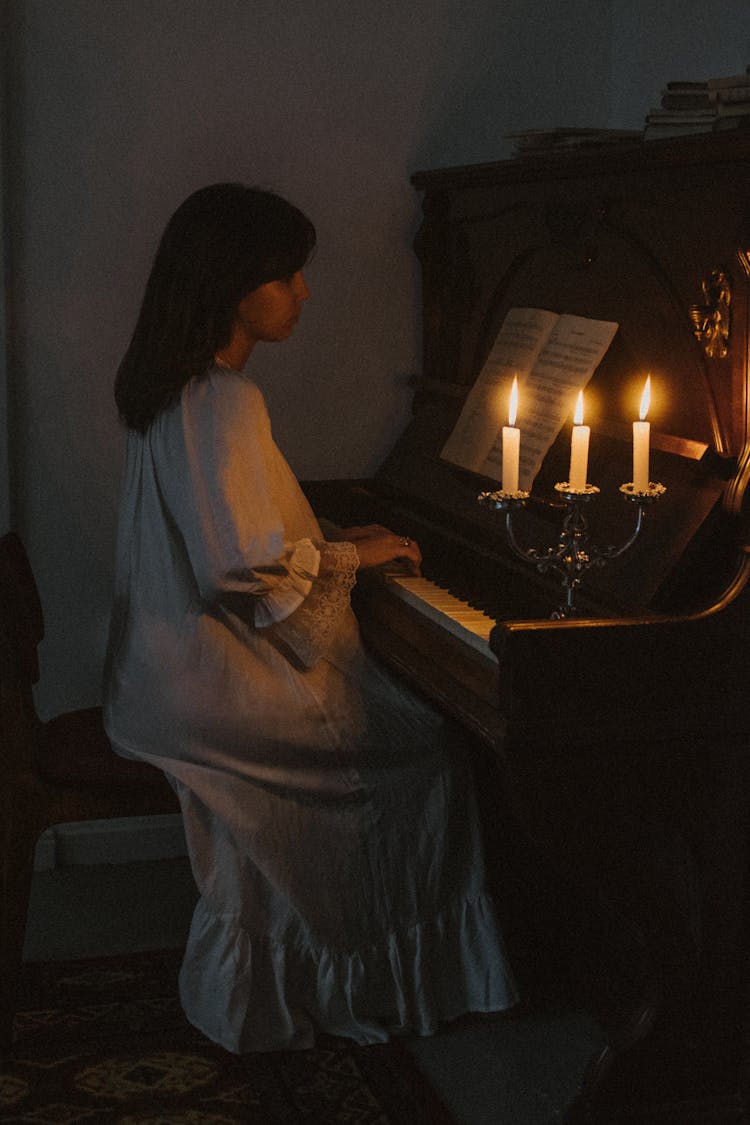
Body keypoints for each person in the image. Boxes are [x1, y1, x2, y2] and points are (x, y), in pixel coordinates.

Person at [103, 182, 517, 1053]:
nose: (304, 292)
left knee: (414, 727)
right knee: (427, 750)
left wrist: (330, 534)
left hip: (159, 674)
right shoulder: (224, 399)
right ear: (232, 285)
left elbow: (239, 521)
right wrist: (353, 556)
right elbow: (236, 564)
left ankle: (286, 968)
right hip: (212, 685)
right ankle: (388, 978)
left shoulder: (170, 385)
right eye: (288, 275)